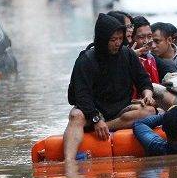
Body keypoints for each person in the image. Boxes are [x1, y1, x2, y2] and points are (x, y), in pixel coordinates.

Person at [64, 13, 155, 163]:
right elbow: (82, 96)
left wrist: (147, 94)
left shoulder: (127, 55)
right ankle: (69, 161)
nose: (117, 43)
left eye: (120, 39)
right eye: (113, 40)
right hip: (92, 111)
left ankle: (105, 126)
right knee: (76, 116)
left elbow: (143, 80)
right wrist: (96, 118)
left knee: (149, 111)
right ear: (103, 40)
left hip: (121, 111)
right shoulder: (86, 60)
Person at [129, 15, 177, 82]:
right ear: (131, 38)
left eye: (149, 36)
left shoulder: (158, 61)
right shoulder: (123, 58)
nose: (146, 41)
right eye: (141, 37)